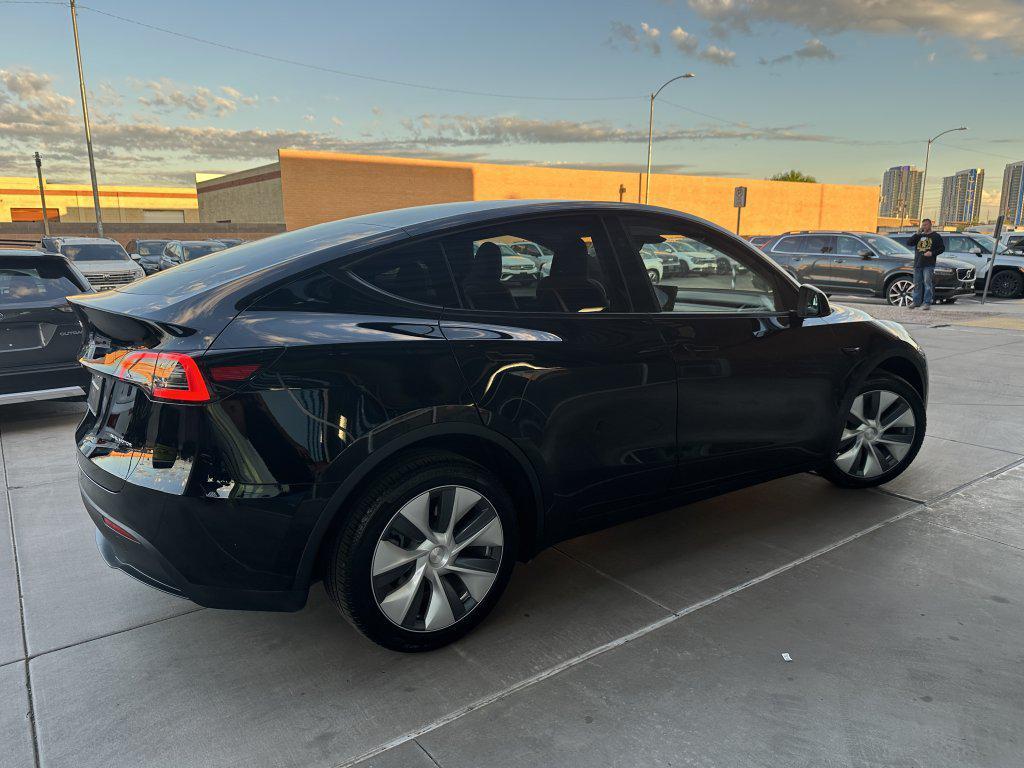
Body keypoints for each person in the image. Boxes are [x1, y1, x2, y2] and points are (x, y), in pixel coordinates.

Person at [905, 219, 945, 310]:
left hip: (929, 264)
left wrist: (932, 253)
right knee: (917, 284)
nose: (924, 227)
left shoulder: (936, 236)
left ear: (930, 225)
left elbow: (942, 248)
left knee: (927, 284)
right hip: (918, 263)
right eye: (923, 225)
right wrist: (916, 234)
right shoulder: (919, 235)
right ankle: (916, 302)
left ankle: (927, 302)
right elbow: (909, 243)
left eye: (926, 225)